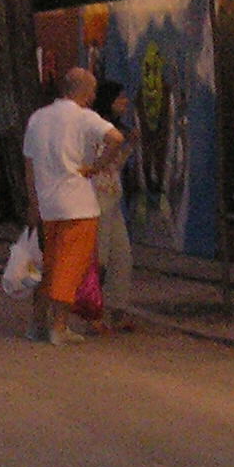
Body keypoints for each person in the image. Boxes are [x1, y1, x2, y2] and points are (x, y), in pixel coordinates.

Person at [22, 67, 123, 345]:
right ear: (84, 92)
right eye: (91, 91)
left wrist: (32, 203)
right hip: (78, 205)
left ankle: (36, 324)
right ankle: (59, 326)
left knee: (50, 265)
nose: (93, 96)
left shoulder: (38, 119)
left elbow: (28, 164)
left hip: (47, 204)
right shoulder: (85, 118)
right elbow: (116, 138)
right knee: (70, 267)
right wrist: (98, 166)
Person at [90, 77, 139, 332]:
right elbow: (98, 161)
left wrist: (129, 145)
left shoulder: (118, 129)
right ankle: (93, 313)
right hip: (96, 197)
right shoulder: (97, 128)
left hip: (112, 196)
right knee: (99, 258)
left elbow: (115, 166)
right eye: (120, 97)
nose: (125, 102)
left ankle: (117, 309)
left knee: (122, 256)